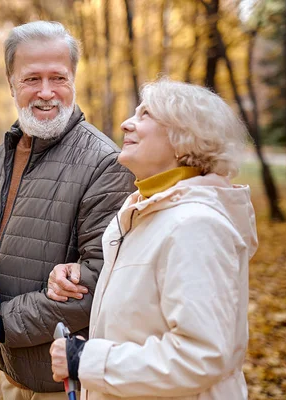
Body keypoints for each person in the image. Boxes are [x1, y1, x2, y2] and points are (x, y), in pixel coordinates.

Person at [0, 21, 135, 398]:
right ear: (11, 83)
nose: (46, 93)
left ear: (74, 79)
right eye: (32, 79)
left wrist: (0, 324)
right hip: (13, 372)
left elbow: (100, 284)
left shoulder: (106, 164)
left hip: (69, 382)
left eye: (58, 77)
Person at [48, 78, 259, 400]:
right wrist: (78, 272)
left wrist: (86, 360)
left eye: (145, 114)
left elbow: (200, 357)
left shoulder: (195, 226)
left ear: (184, 136)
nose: (125, 123)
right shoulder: (147, 212)